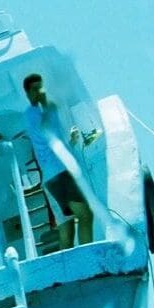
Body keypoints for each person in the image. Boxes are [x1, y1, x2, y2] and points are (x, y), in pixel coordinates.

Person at [22, 74, 97, 249]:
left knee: (67, 225)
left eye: (41, 87)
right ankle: (89, 259)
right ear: (28, 93)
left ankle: (70, 271)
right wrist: (46, 104)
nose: (40, 92)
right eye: (35, 89)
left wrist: (70, 141)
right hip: (60, 175)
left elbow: (53, 143)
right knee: (85, 216)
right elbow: (44, 130)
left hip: (53, 176)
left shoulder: (44, 112)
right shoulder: (31, 114)